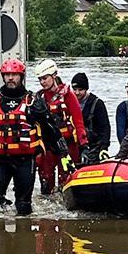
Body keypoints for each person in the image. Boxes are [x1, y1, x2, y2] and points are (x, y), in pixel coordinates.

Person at [0, 58, 66, 216]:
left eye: (14, 75)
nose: (10, 78)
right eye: (7, 75)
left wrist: (63, 153)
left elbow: (51, 129)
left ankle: (22, 236)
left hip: (25, 160)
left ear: (21, 77)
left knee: (23, 206)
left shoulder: (33, 102)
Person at [32, 61, 86, 196]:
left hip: (68, 146)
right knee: (46, 181)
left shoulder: (68, 95)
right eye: (40, 79)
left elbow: (78, 122)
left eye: (45, 78)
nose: (42, 82)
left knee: (66, 180)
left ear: (54, 75)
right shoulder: (38, 98)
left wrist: (84, 145)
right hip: (47, 145)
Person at [70, 72, 110, 165]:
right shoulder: (69, 103)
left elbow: (105, 128)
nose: (77, 93)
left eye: (80, 90)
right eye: (74, 89)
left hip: (94, 149)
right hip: (75, 147)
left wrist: (104, 148)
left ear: (86, 89)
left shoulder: (97, 104)